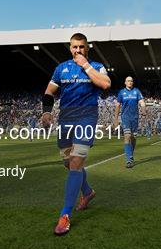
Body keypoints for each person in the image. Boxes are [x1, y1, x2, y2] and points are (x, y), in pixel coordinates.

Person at [41, 33, 111, 236]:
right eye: (74, 47)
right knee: (68, 162)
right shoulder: (61, 68)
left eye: (81, 47)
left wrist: (85, 66)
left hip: (86, 118)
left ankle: (65, 215)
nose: (78, 50)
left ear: (87, 48)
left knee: (76, 163)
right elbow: (49, 92)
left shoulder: (96, 66)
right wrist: (46, 112)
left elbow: (105, 84)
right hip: (65, 120)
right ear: (70, 48)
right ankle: (88, 192)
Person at [114, 76, 146, 168]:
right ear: (125, 82)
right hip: (125, 117)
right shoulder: (121, 92)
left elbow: (142, 102)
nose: (130, 82)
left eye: (131, 81)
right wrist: (116, 119)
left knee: (133, 137)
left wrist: (143, 110)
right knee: (127, 136)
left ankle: (130, 154)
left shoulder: (137, 91)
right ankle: (129, 159)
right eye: (128, 81)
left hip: (135, 118)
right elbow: (118, 105)